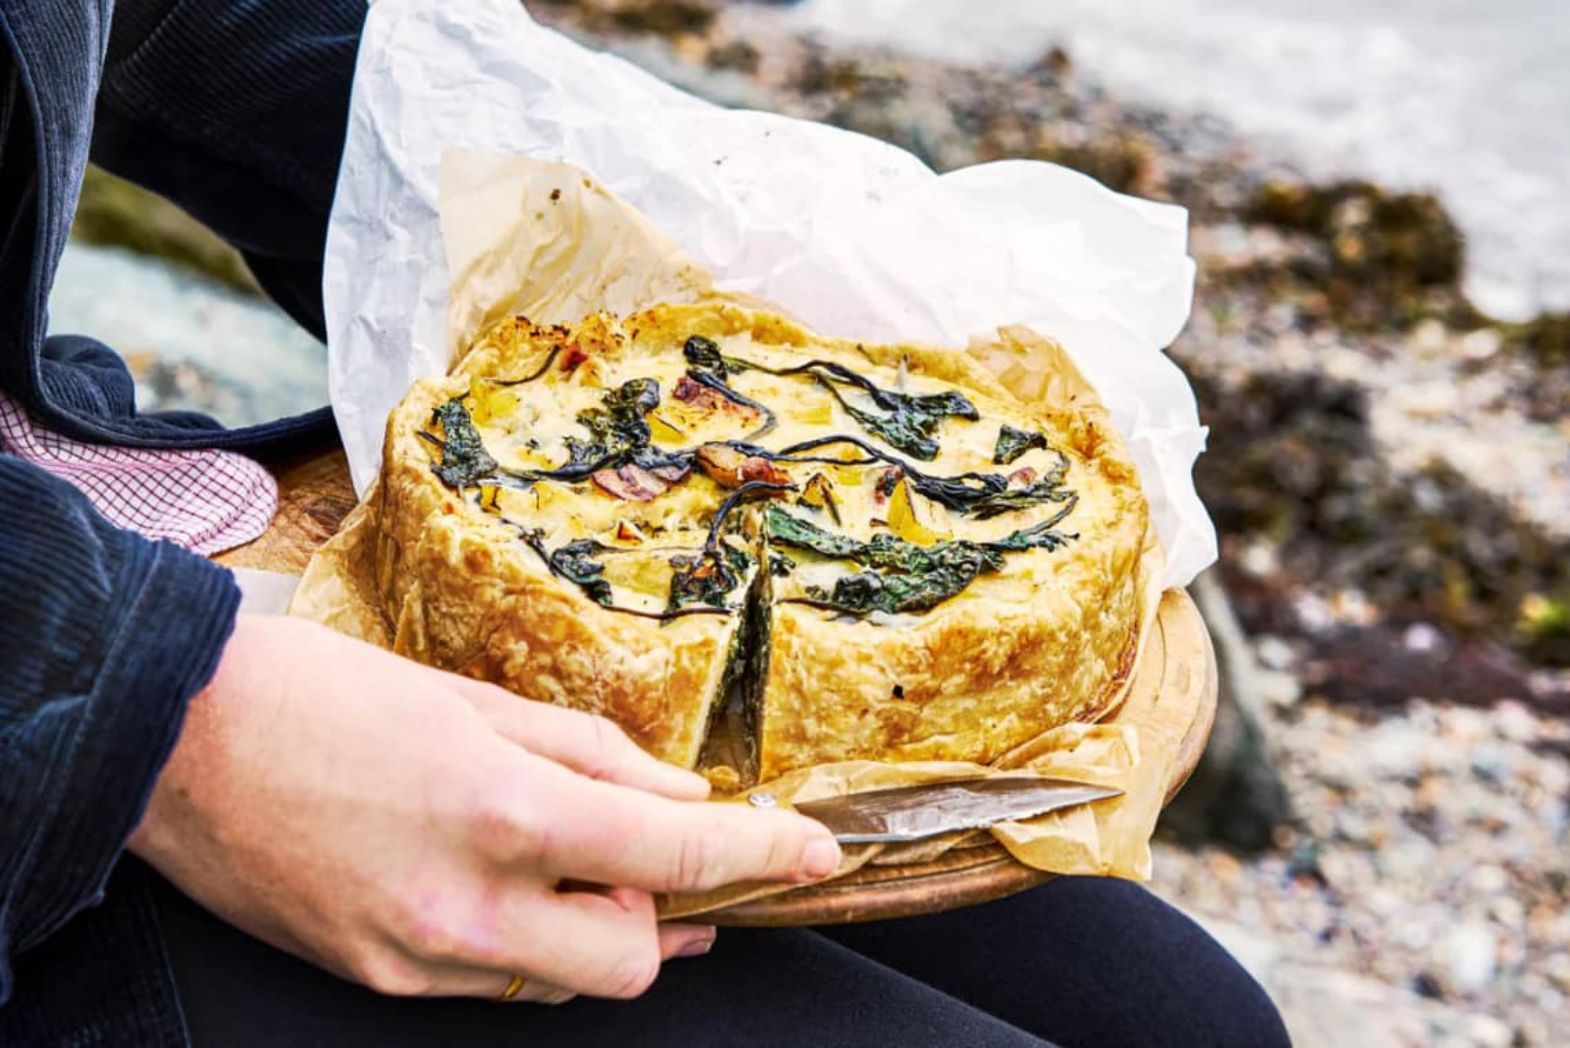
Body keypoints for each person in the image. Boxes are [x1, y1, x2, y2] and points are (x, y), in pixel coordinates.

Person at [0, 2, 1290, 1045]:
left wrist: (562, 162)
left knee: (1193, 1024)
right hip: (62, 746)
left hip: (94, 544)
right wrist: (168, 719)